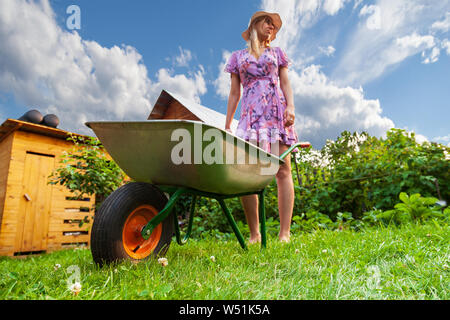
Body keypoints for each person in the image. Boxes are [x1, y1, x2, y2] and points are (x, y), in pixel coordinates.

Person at [224, 11, 299, 243]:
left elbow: (285, 81)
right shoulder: (237, 57)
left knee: (282, 169)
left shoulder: (277, 54)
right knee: (248, 173)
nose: (271, 27)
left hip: (276, 113)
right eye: (267, 22)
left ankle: (284, 233)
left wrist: (291, 107)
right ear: (254, 25)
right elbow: (235, 93)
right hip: (250, 117)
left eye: (274, 25)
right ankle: (255, 234)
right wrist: (227, 125)